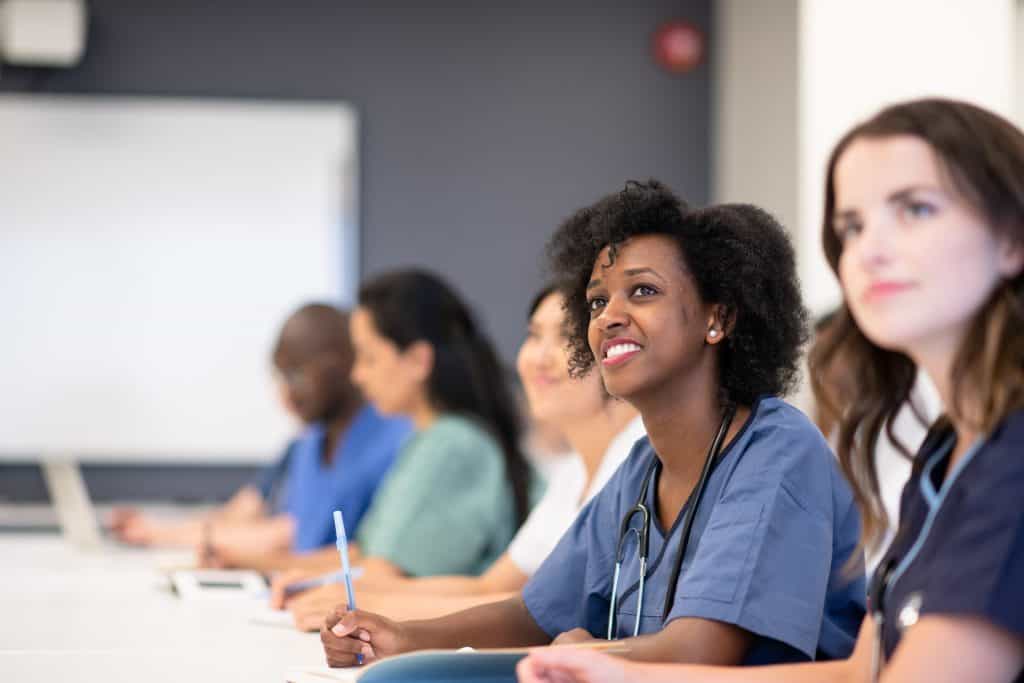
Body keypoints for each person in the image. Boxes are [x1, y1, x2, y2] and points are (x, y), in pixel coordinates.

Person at [516, 98, 1024, 683]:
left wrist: (616, 665)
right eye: (852, 227)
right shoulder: (946, 456)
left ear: (1012, 237)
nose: (870, 249)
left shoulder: (1009, 460)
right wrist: (625, 675)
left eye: (915, 209)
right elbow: (862, 671)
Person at [319, 181, 865, 668]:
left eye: (643, 291)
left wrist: (583, 652)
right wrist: (406, 637)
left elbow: (701, 650)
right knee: (404, 675)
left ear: (716, 318)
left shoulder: (775, 448)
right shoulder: (640, 468)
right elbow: (536, 613)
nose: (608, 316)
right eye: (598, 301)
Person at [277, 285, 644, 629]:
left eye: (565, 337)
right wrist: (356, 599)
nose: (538, 358)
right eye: (533, 336)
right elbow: (492, 589)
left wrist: (365, 604)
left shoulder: (454, 443)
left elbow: (536, 607)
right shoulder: (574, 474)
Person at [257, 269, 539, 577]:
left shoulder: (452, 446)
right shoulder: (425, 440)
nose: (357, 375)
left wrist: (306, 584)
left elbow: (384, 573)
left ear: (418, 361)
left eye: (369, 358)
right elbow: (365, 554)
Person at [109, 303, 410, 562]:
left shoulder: (393, 441)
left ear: (343, 365)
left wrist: (161, 534)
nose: (285, 395)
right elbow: (243, 513)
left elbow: (288, 536)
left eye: (296, 376)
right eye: (281, 377)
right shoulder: (308, 444)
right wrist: (157, 529)